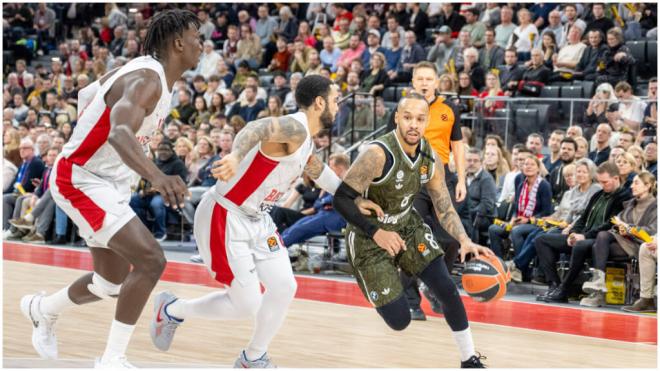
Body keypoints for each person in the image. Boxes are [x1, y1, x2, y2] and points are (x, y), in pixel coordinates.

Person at [149, 76, 378, 367]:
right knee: (246, 303)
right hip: (226, 214)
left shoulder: (305, 140)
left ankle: (253, 357)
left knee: (284, 286)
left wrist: (356, 200)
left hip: (258, 220)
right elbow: (254, 127)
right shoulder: (294, 127)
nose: (338, 105)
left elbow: (320, 173)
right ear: (319, 102)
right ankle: (173, 309)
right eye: (334, 99)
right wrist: (234, 155)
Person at [20, 9, 200, 368]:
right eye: (197, 37)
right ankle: (112, 359)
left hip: (107, 181)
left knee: (111, 283)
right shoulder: (147, 80)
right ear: (179, 42)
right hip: (82, 178)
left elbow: (89, 92)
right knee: (151, 260)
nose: (202, 45)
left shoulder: (145, 71)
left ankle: (41, 310)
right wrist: (158, 177)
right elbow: (119, 133)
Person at [332, 92, 490, 368]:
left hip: (406, 225)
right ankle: (392, 272)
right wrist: (376, 232)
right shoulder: (376, 154)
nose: (413, 124)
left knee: (446, 288)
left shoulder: (430, 155)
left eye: (419, 118)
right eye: (407, 118)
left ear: (427, 121)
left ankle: (469, 359)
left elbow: (443, 205)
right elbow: (341, 199)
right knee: (400, 320)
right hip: (369, 237)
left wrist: (464, 240)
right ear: (397, 119)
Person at [387, 62, 467, 319]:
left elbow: (458, 146)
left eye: (428, 78)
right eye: (419, 78)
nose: (424, 82)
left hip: (443, 176)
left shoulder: (449, 108)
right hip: (412, 177)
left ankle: (434, 286)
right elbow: (392, 145)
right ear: (413, 81)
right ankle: (411, 299)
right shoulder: (401, 110)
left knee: (452, 239)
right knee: (411, 239)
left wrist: (462, 180)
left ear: (436, 81)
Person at [536, 162, 632, 302]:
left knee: (580, 245)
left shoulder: (624, 196)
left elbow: (611, 223)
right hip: (584, 235)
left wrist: (584, 236)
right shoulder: (598, 194)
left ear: (616, 178)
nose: (602, 185)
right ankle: (554, 285)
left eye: (605, 182)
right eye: (599, 181)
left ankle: (564, 289)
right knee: (541, 240)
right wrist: (573, 233)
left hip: (600, 240)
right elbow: (583, 217)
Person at [580, 171, 656, 307]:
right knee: (600, 240)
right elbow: (617, 221)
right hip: (625, 242)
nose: (632, 186)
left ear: (648, 186)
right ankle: (598, 286)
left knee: (598, 244)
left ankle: (598, 292)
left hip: (643, 245)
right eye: (632, 183)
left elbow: (653, 230)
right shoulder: (630, 204)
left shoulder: (655, 206)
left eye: (636, 183)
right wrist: (619, 228)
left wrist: (629, 228)